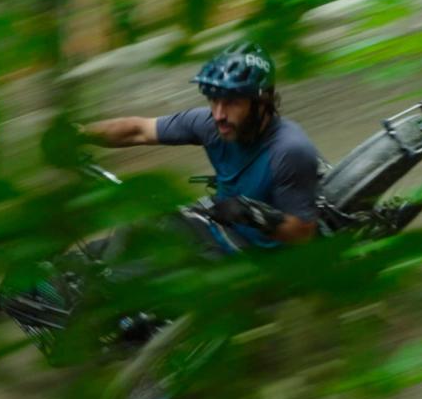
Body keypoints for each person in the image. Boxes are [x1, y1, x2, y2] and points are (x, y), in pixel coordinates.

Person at [75, 41, 321, 255]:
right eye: (213, 100)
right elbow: (138, 130)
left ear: (262, 101)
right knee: (105, 250)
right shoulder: (208, 124)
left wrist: (252, 215)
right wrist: (79, 134)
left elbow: (303, 233)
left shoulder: (290, 150)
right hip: (214, 226)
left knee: (129, 276)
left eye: (232, 102)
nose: (219, 114)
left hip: (249, 253)